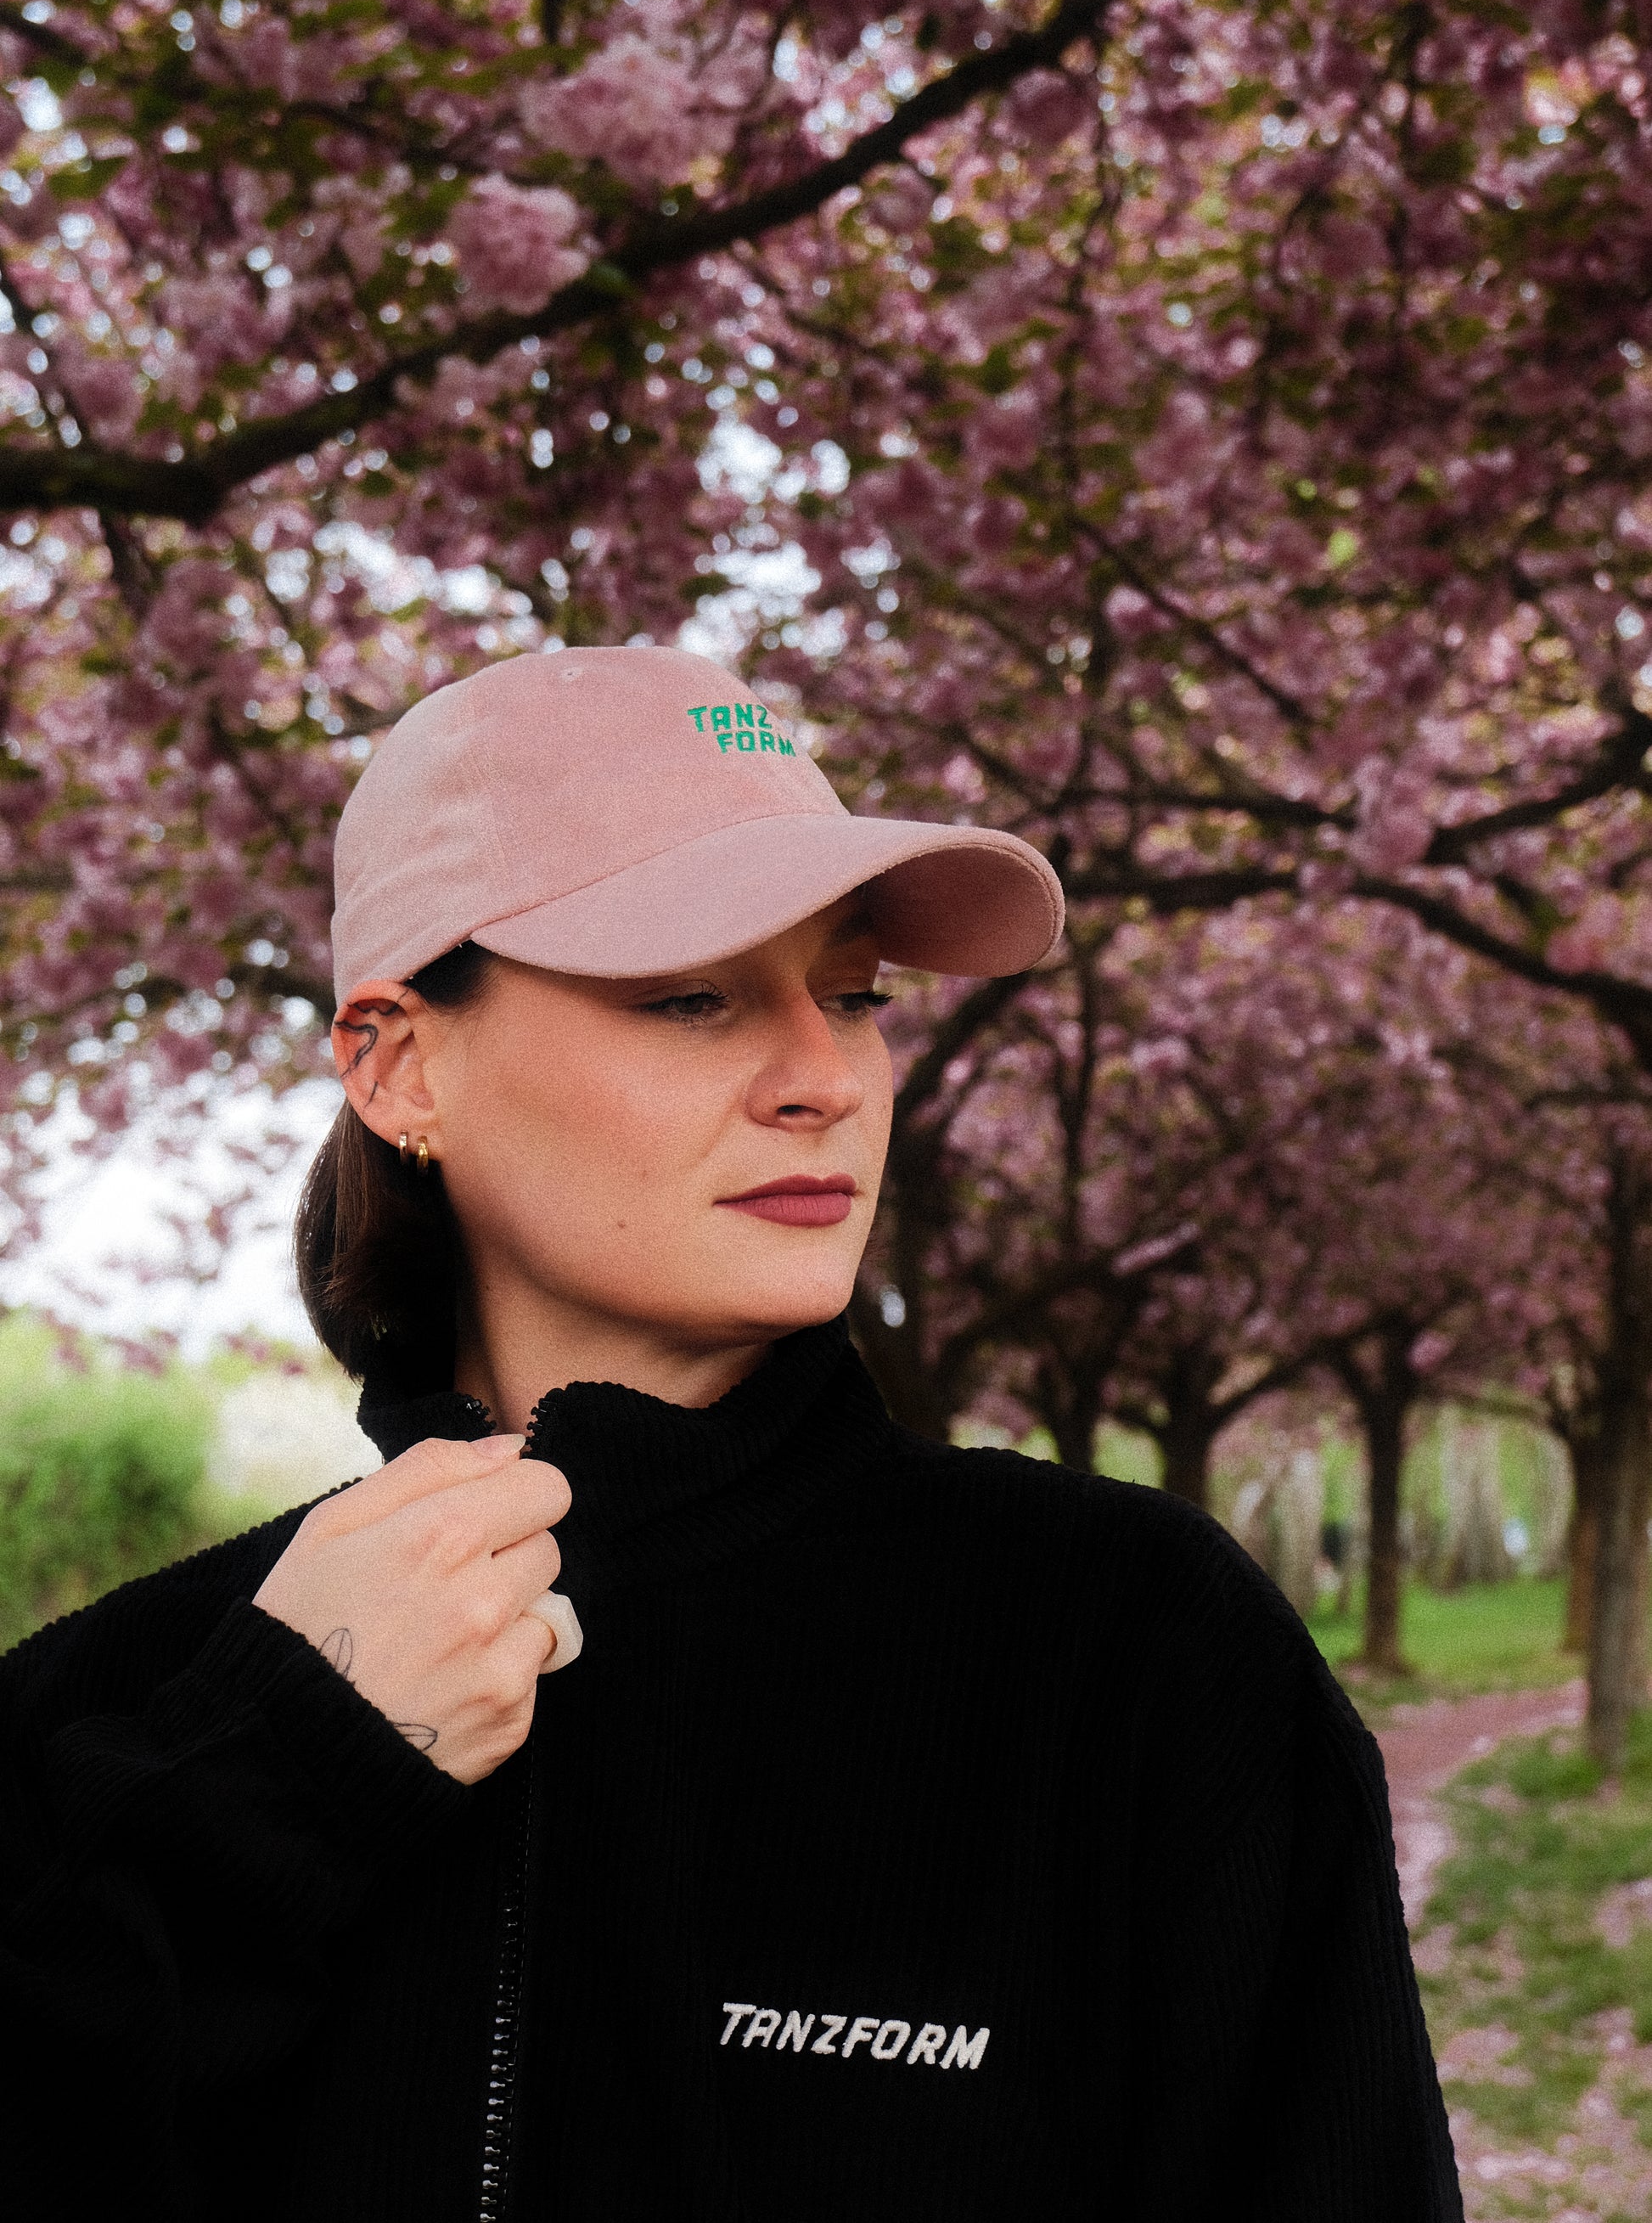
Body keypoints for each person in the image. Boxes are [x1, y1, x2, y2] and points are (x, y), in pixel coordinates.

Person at [3, 647, 1462, 2222]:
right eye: (691, 996)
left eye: (853, 995)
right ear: (400, 1065)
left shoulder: (1136, 1649)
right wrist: (271, 1780)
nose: (825, 1079)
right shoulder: (112, 1708)